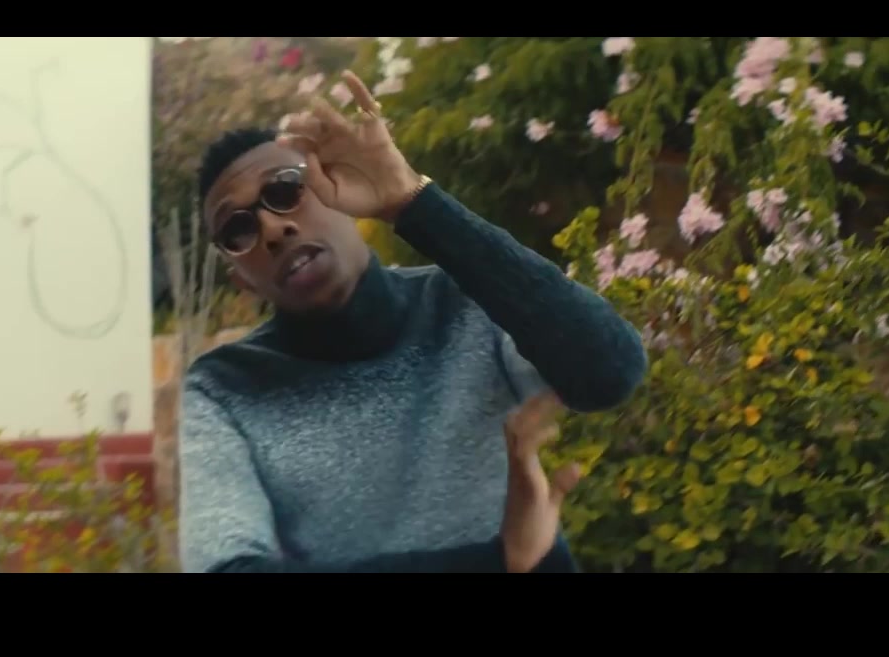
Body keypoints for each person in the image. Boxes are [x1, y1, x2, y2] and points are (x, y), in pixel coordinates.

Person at [177, 71, 646, 573]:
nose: (272, 227)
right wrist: (494, 562)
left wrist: (411, 201)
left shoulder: (468, 298)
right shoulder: (225, 388)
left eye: (286, 189)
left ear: (333, 187)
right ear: (242, 279)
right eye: (238, 229)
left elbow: (608, 372)